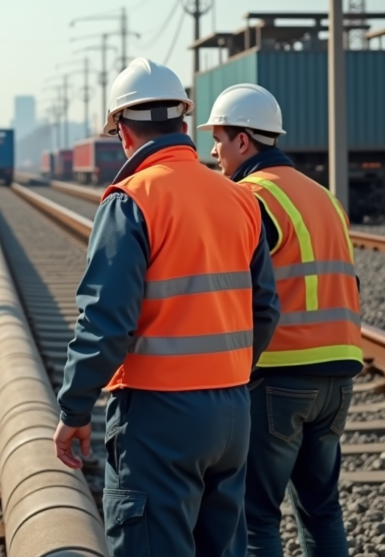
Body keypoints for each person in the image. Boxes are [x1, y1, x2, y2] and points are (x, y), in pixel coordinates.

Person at [54, 57, 280, 557]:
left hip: (159, 414)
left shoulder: (132, 199)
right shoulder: (239, 198)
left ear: (123, 133)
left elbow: (106, 321)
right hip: (231, 413)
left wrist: (74, 406)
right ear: (183, 124)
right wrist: (231, 373)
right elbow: (266, 307)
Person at [199, 83, 363, 557]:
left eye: (219, 139)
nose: (213, 151)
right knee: (322, 509)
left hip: (281, 375)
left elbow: (237, 292)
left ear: (244, 141)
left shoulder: (249, 199)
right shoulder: (325, 198)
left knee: (256, 516)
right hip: (340, 374)